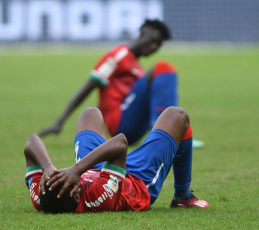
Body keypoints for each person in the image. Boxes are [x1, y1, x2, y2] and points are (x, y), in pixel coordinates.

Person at [38, 19, 204, 148]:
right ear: (142, 32)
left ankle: (173, 133)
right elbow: (88, 87)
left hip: (134, 128)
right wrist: (60, 121)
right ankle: (168, 134)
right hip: (120, 124)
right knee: (163, 68)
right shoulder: (117, 56)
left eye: (158, 45)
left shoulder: (138, 68)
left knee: (160, 79)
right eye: (153, 40)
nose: (154, 47)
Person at [24, 106, 208, 213]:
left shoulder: (42, 198)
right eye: (75, 184)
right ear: (78, 194)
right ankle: (182, 196)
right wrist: (75, 170)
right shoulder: (98, 197)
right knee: (178, 115)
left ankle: (84, 168)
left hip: (96, 169)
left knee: (90, 113)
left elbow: (31, 141)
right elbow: (120, 142)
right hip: (136, 179)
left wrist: (47, 168)